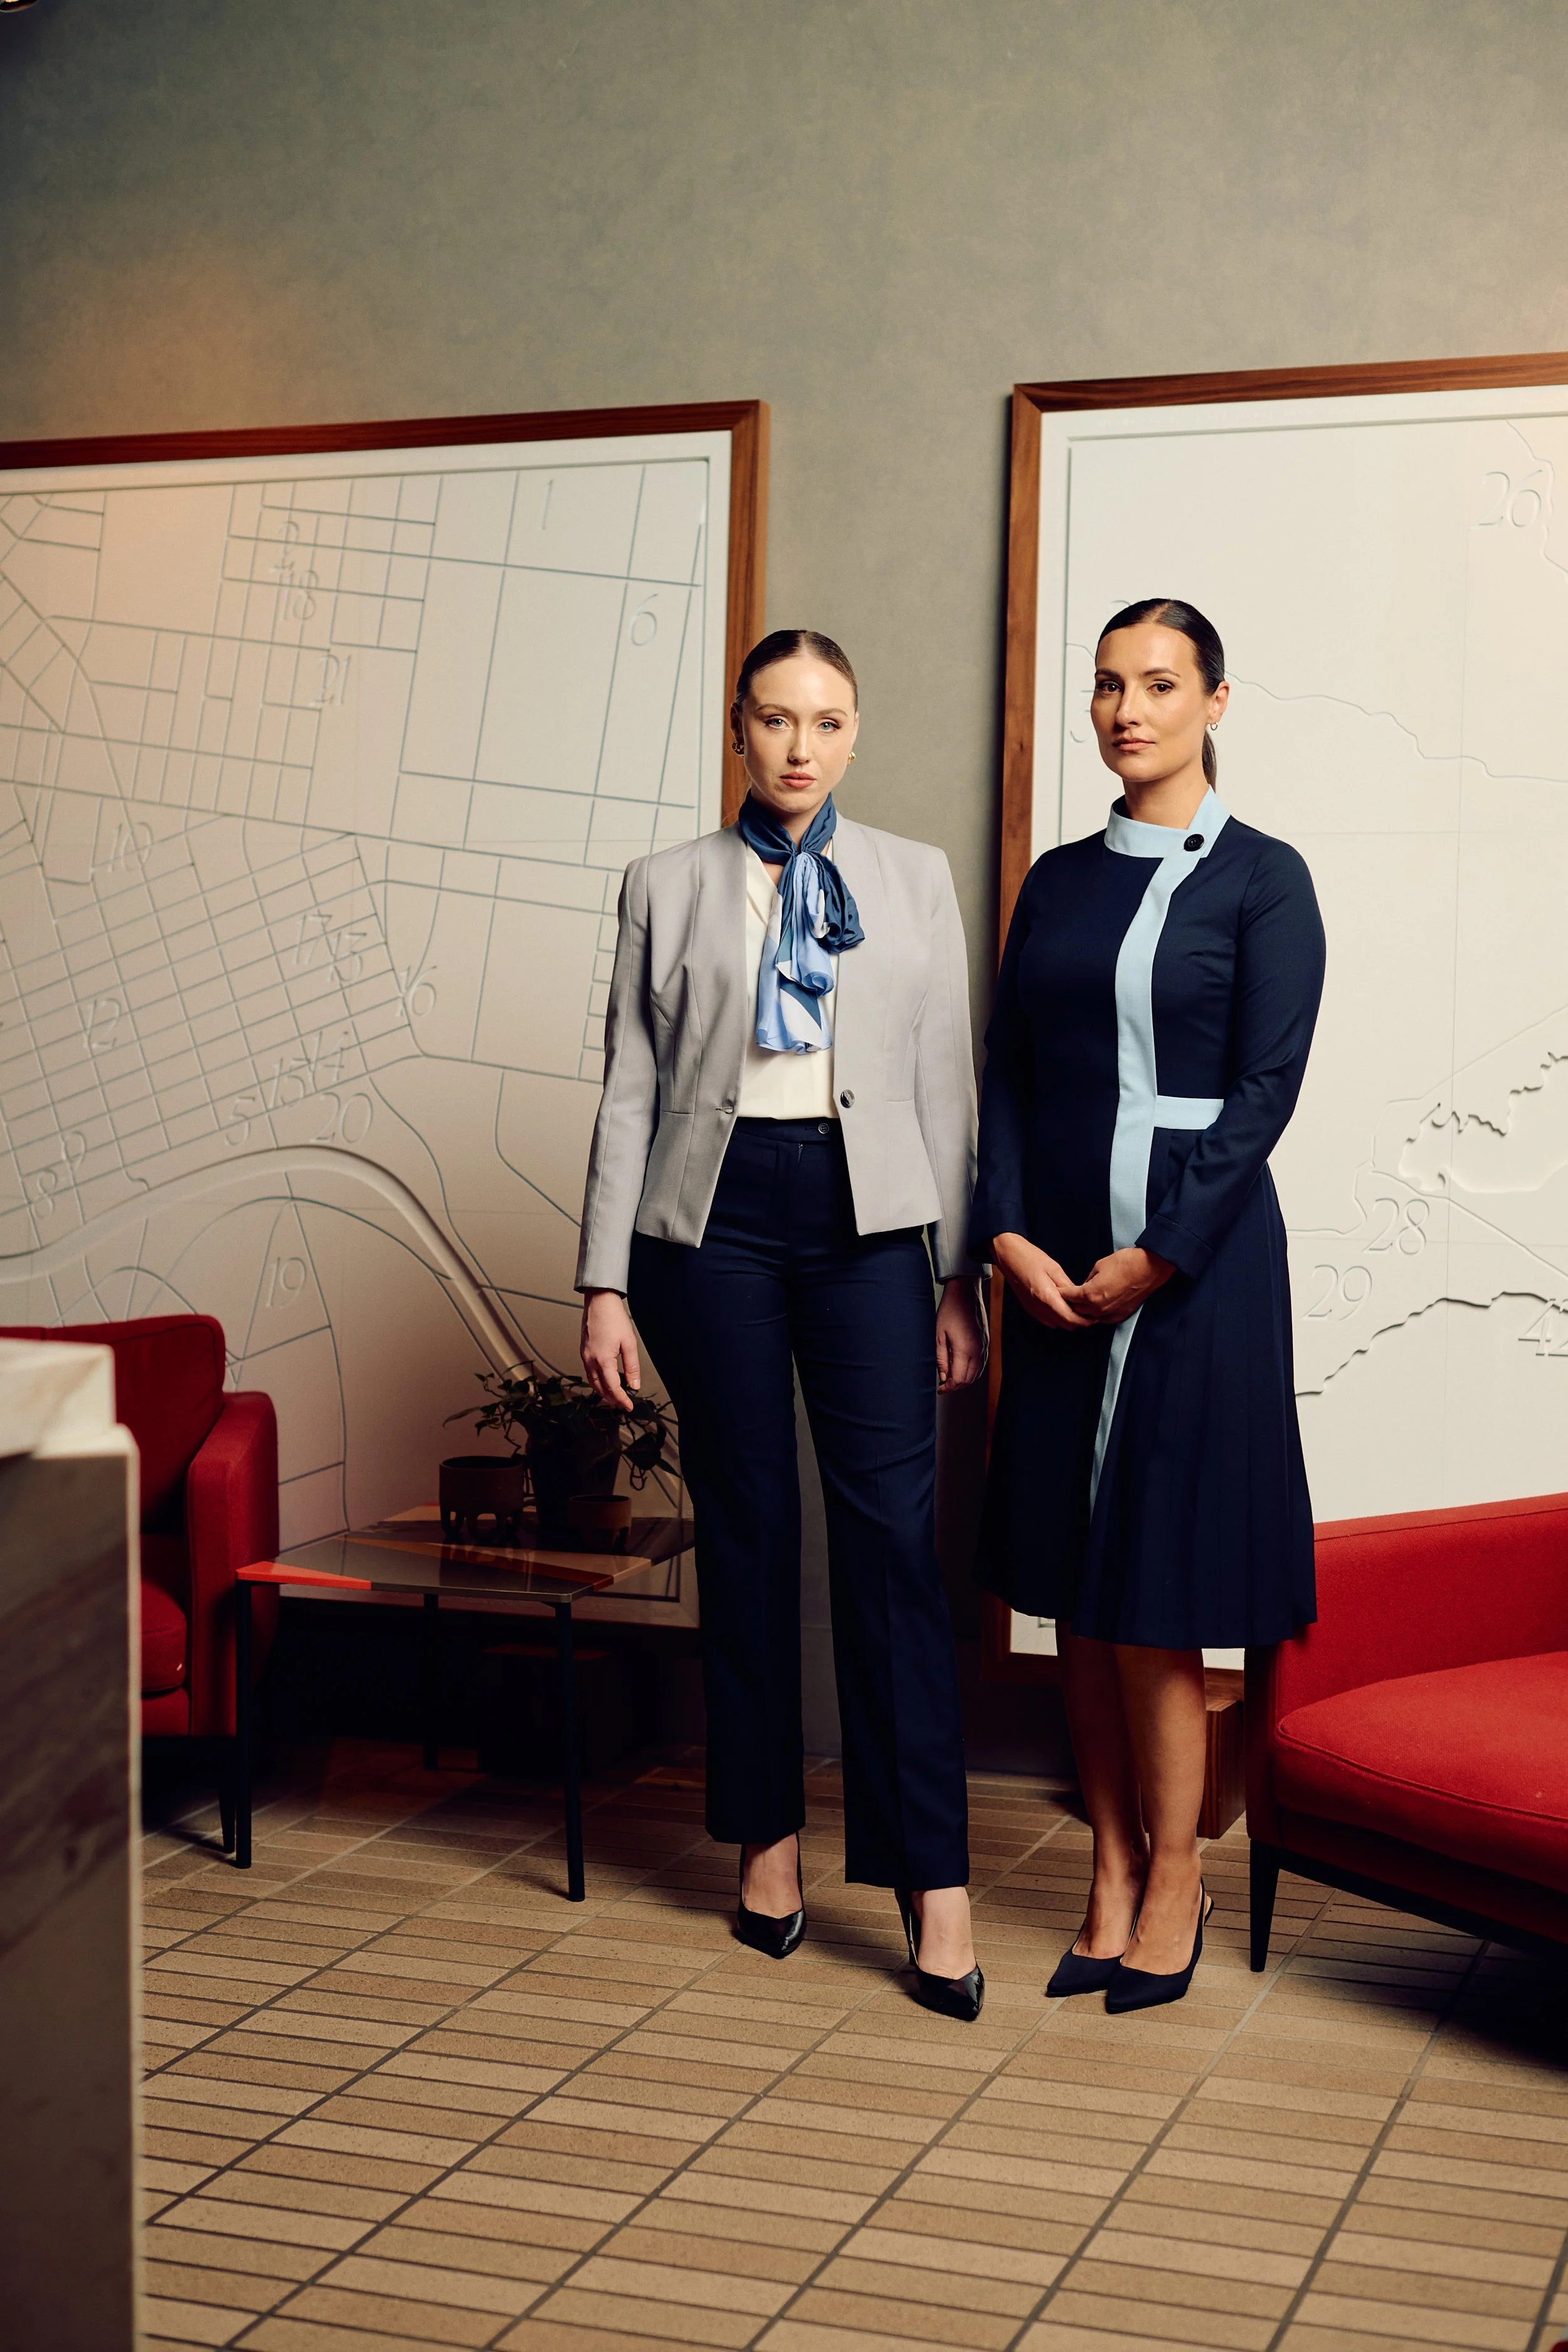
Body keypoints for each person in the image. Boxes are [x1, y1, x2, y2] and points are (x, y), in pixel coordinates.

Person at [577, 628, 988, 2020]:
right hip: (714, 1223)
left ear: (853, 734)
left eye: (824, 721)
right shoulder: (661, 886)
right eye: (772, 719)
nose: (798, 746)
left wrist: (953, 1278)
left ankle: (933, 1879)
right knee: (749, 1530)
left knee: (890, 1543)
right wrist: (603, 1282)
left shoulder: (911, 881)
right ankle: (765, 1842)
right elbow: (630, 1087)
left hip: (871, 1217)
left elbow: (946, 1086)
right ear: (737, 734)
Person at [972, 598, 1325, 2013]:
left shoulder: (1264, 880)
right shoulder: (1055, 882)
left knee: (1157, 1592)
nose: (1127, 710)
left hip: (1197, 1275)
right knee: (1070, 1588)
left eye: (1159, 685)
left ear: (1215, 703)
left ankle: (1174, 1874)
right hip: (1055, 1266)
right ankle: (1107, 1871)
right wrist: (1003, 1229)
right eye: (1108, 685)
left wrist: (1158, 1255)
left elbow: (1262, 1095)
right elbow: (1003, 1070)